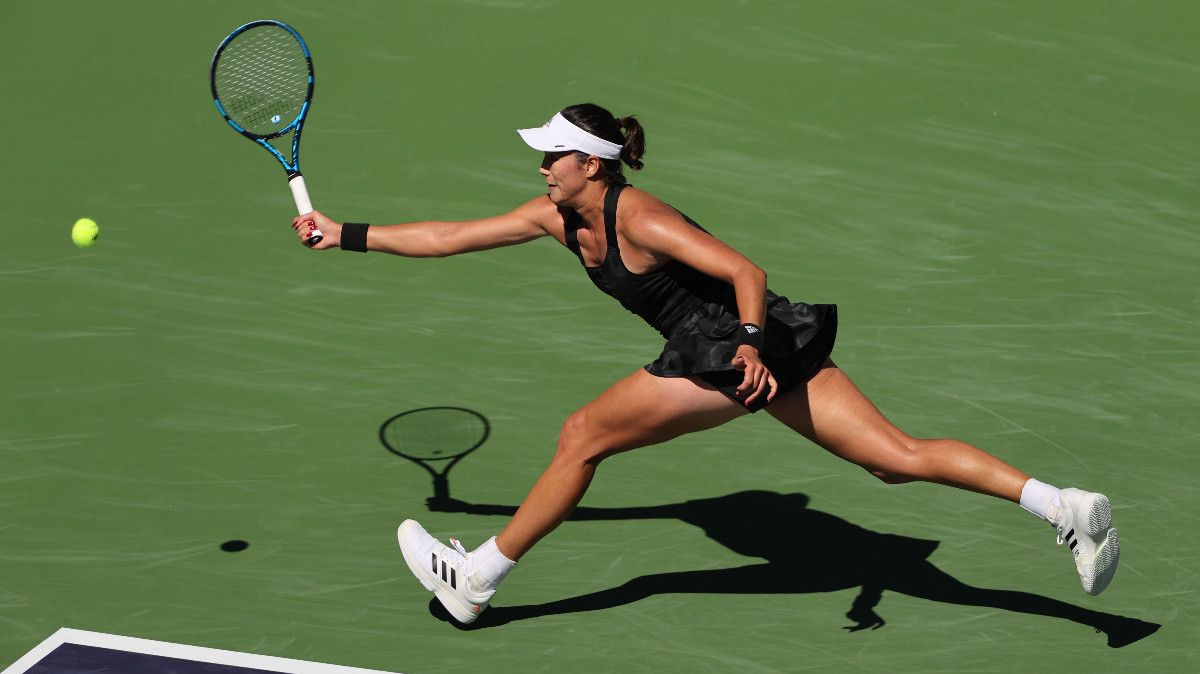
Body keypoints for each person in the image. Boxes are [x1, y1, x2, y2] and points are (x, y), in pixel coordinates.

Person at [290, 103, 1120, 625]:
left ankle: (476, 578)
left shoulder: (639, 216)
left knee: (582, 434)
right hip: (752, 349)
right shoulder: (554, 217)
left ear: (593, 164)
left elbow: (744, 271)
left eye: (553, 155)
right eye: (542, 155)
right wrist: (345, 233)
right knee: (894, 461)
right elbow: (450, 236)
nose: (540, 165)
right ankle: (1063, 505)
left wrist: (751, 344)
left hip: (732, 344)